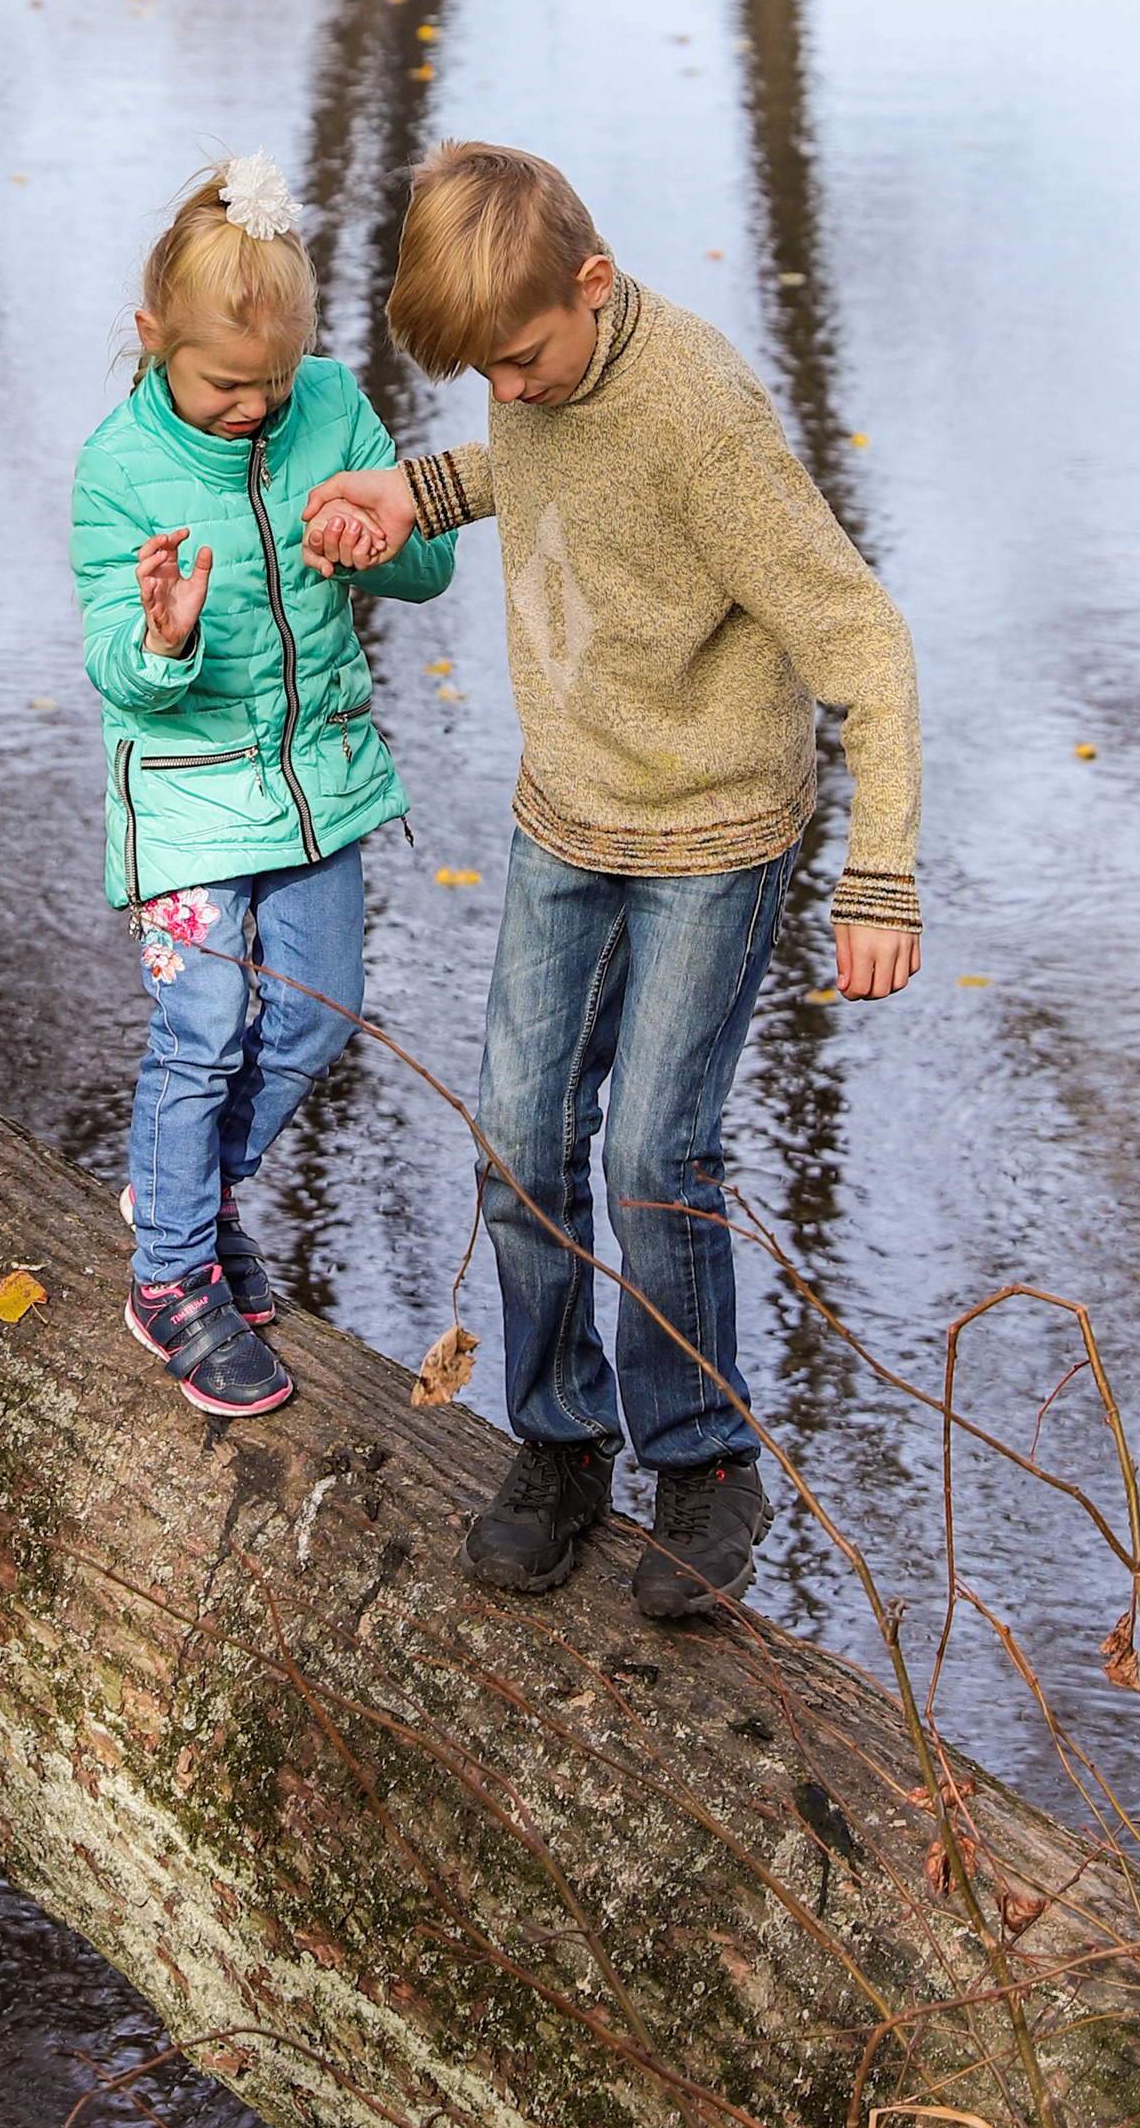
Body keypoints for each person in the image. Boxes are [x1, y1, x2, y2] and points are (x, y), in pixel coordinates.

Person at [300, 143, 921, 1618]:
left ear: (594, 282)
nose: (506, 389)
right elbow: (538, 469)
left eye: (520, 359)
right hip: (566, 815)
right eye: (484, 376)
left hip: (714, 828)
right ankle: (562, 1439)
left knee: (651, 1153)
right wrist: (417, 495)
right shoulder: (540, 382)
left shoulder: (699, 411)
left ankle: (703, 1462)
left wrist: (880, 874)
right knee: (518, 1138)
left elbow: (869, 645)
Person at [72, 152, 454, 1419]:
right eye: (228, 384)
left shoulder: (332, 410)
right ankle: (171, 1275)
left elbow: (426, 572)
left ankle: (184, 1184)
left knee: (317, 1016)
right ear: (151, 340)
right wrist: (165, 637)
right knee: (202, 1030)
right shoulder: (117, 470)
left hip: (322, 784)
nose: (254, 408)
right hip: (185, 800)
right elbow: (115, 672)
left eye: (274, 382)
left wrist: (378, 536)